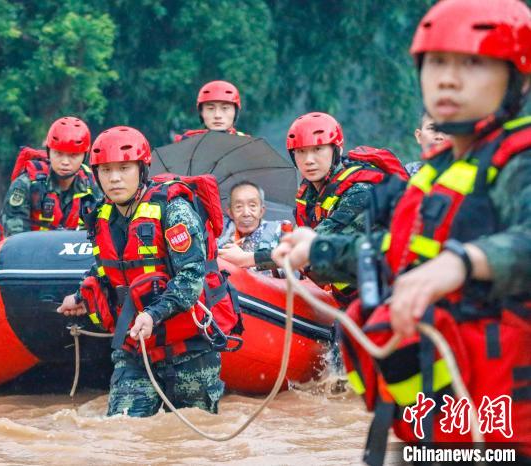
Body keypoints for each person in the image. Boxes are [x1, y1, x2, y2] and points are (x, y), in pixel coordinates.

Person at [273, 0, 531, 460]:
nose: (448, 79)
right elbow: (396, 252)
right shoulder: (438, 172)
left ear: (518, 76)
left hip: (505, 419)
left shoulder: (520, 161)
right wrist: (319, 247)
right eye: (436, 64)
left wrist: (463, 262)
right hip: (436, 410)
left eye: (471, 63)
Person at [57, 126, 238, 417]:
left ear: (141, 169)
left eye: (124, 168)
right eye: (105, 170)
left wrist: (153, 314)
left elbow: (192, 277)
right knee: (121, 432)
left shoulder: (174, 211)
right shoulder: (101, 216)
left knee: (195, 438)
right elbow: (107, 267)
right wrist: (80, 295)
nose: (114, 178)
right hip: (135, 349)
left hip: (189, 350)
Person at [288, 112, 406, 306]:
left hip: (387, 296)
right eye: (300, 152)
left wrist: (250, 258)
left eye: (318, 149)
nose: (308, 160)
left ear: (336, 150)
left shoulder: (361, 190)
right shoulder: (308, 195)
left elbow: (315, 243)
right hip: (349, 298)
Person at [0, 116, 102, 240]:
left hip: (66, 254)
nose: (65, 162)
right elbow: (14, 239)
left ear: (85, 156)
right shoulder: (26, 184)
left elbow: (101, 230)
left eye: (73, 155)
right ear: (49, 152)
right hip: (17, 253)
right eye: (58, 153)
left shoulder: (92, 184)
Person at [217, 181, 283, 273]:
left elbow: (293, 258)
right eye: (239, 206)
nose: (246, 213)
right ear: (230, 212)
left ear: (261, 211)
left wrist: (245, 258)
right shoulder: (218, 234)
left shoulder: (280, 230)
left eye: (252, 205)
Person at [174, 80, 248, 141]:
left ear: (235, 112)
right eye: (210, 109)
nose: (217, 115)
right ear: (201, 113)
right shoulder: (186, 143)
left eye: (225, 108)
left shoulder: (247, 144)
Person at [406, 111, 451, 175]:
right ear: (419, 136)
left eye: (447, 129)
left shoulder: (466, 175)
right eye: (432, 128)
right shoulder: (405, 174)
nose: (439, 137)